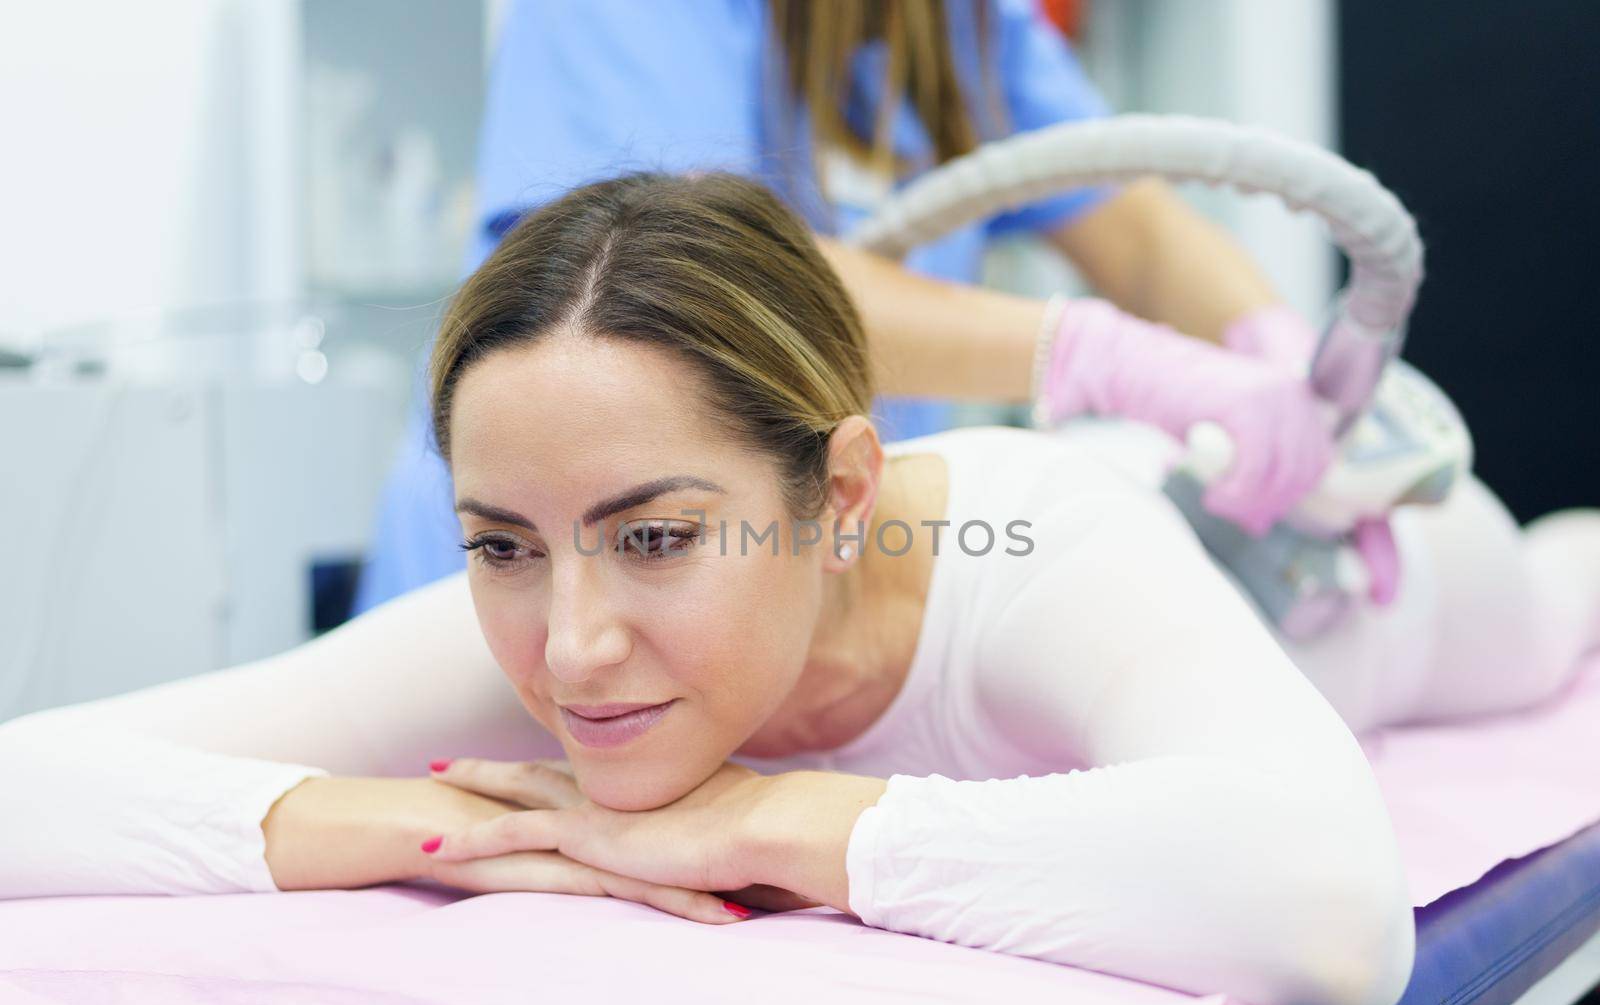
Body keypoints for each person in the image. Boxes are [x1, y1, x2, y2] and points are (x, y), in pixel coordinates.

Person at [5, 173, 1597, 1005]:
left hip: (1345, 572)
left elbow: (1332, 914)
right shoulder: (562, 614)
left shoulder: (1034, 546)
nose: (569, 650)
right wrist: (424, 827)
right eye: (499, 542)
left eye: (654, 538)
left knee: (1550, 594)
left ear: (837, 495)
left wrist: (770, 822)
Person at [353, 0, 1329, 612]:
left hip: (780, 594)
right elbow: (713, 280)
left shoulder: (960, 24)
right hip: (555, 582)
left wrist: (1282, 363)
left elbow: (1138, 230)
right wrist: (1094, 356)